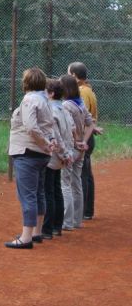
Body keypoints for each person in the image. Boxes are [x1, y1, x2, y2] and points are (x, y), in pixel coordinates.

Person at [5, 67, 55, 249]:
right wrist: (50, 142)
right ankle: (36, 232)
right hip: (41, 155)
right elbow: (49, 126)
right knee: (39, 193)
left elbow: (31, 127)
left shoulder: (29, 99)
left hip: (28, 152)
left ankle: (25, 238)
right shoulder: (45, 100)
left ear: (26, 83)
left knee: (27, 196)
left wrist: (43, 143)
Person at [60, 74, 93, 230]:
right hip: (81, 149)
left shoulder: (66, 105)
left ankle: (67, 222)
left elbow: (71, 127)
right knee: (77, 183)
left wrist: (76, 142)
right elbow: (90, 124)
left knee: (65, 184)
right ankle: (77, 221)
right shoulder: (80, 104)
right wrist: (84, 142)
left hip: (71, 148)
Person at [68, 62, 101, 220]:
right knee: (86, 174)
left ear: (74, 75)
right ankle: (87, 210)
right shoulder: (89, 90)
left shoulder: (82, 92)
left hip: (83, 138)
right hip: (88, 135)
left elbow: (81, 117)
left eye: (69, 73)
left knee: (82, 175)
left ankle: (83, 211)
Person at [42, 78, 73, 239]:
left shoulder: (51, 111)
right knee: (56, 189)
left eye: (45, 91)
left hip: (53, 155)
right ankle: (57, 226)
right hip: (61, 154)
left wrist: (63, 154)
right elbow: (70, 131)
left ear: (51, 93)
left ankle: (48, 228)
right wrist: (67, 153)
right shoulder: (64, 109)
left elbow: (56, 135)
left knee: (49, 191)